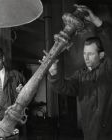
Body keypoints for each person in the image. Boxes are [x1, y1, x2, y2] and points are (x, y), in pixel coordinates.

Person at [48, 4, 112, 140]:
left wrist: (96, 21)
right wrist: (53, 74)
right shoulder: (80, 75)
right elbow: (63, 87)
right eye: (84, 53)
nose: (86, 57)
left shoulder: (108, 68)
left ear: (101, 55)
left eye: (91, 54)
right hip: (89, 134)